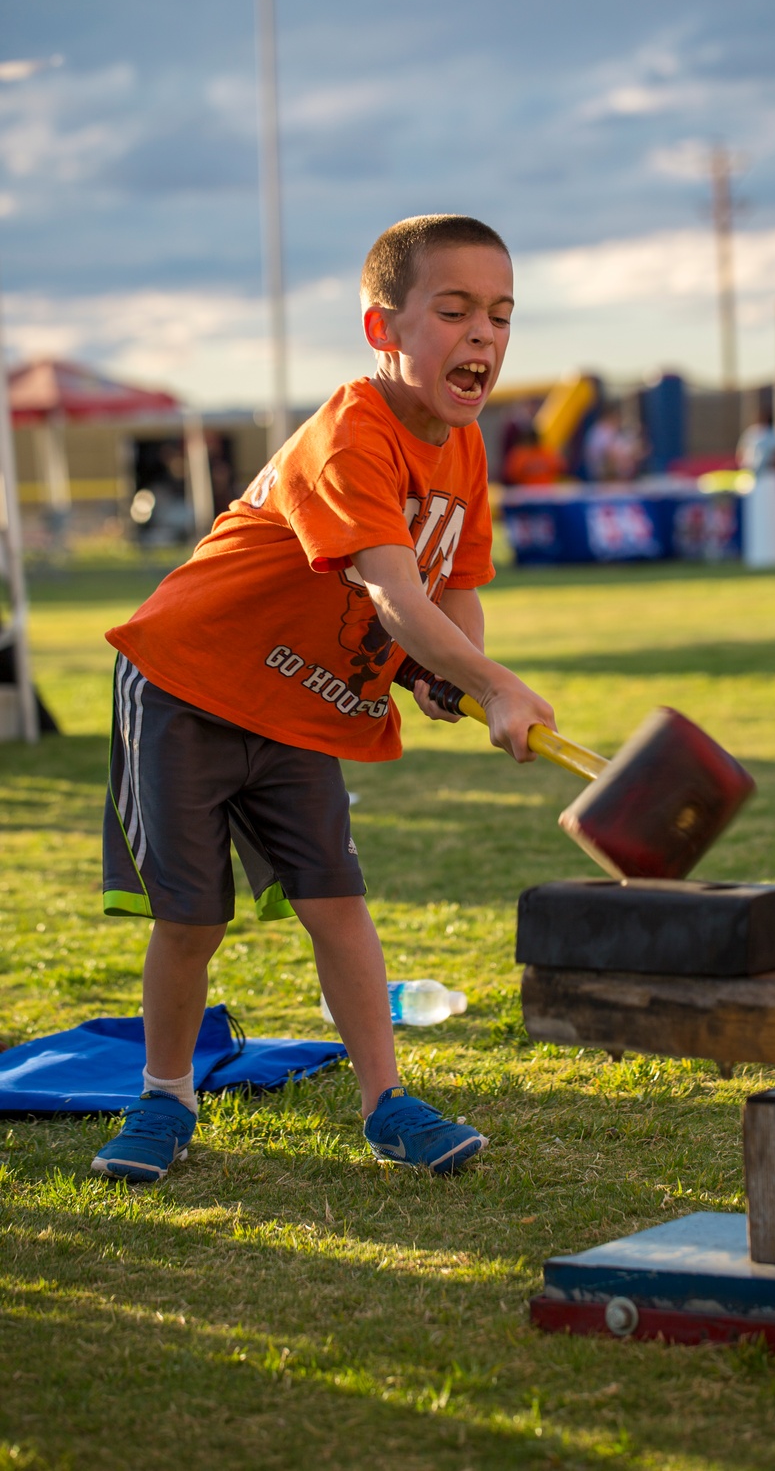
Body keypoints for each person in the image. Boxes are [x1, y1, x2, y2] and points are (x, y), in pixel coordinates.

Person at [92, 214, 555, 1184]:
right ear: (382, 330)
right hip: (190, 683)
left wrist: (451, 671)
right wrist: (494, 684)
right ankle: (164, 1095)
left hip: (294, 707)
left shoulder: (463, 447)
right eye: (455, 311)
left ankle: (386, 1103)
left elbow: (449, 585)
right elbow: (392, 593)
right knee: (193, 918)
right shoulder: (353, 432)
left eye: (501, 317)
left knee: (337, 903)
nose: (483, 337)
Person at [501, 424, 565, 486]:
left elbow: (561, 467)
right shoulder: (519, 453)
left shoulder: (546, 452)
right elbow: (510, 474)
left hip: (545, 489)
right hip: (524, 491)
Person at [736, 409, 775, 475]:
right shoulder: (751, 432)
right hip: (749, 470)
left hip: (768, 472)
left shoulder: (774, 434)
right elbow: (741, 450)